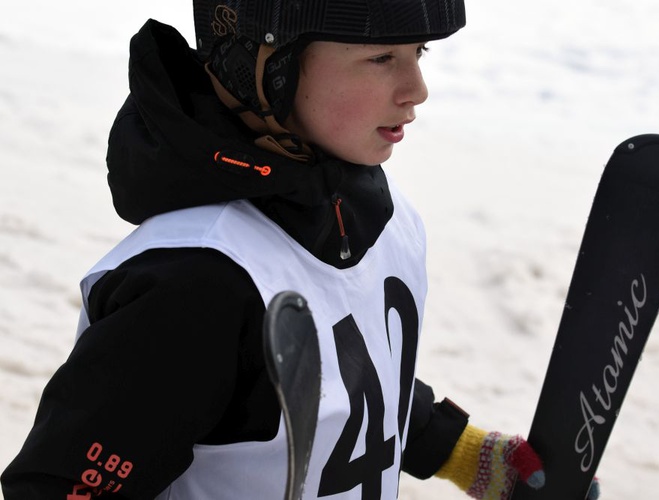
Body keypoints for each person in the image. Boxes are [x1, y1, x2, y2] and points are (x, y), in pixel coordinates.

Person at [1, 1, 599, 499]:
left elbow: (344, 384)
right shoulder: (195, 281)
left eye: (419, 53)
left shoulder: (372, 210)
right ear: (269, 67)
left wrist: (468, 457)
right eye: (381, 58)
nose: (416, 89)